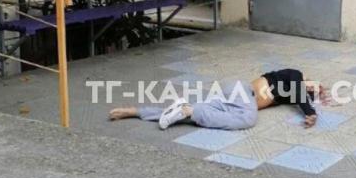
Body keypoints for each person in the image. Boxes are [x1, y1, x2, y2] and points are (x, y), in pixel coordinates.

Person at [109, 67, 325, 131]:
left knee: (188, 115)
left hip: (235, 101)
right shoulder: (294, 74)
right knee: (248, 120)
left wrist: (314, 96)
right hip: (243, 94)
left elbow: (299, 96)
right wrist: (311, 112)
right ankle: (191, 111)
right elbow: (300, 92)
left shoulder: (289, 93)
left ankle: (137, 112)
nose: (310, 90)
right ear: (308, 78)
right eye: (312, 85)